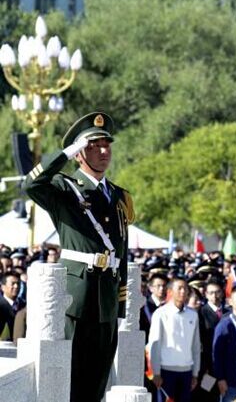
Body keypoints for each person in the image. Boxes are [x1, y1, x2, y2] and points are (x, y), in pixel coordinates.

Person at [24, 111, 132, 402]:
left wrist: (119, 305)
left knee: (96, 385)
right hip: (77, 299)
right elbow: (30, 185)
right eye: (94, 145)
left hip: (106, 301)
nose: (104, 151)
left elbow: (122, 251)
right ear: (79, 152)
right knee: (69, 383)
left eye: (106, 145)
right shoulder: (64, 188)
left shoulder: (119, 196)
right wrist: (65, 153)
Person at [147, 277, 201, 402]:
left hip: (186, 371)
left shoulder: (193, 314)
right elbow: (154, 345)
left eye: (185, 289)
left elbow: (196, 345)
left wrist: (195, 373)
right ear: (170, 291)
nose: (183, 292)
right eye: (179, 288)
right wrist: (156, 373)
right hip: (166, 371)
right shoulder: (160, 313)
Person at [0, 272, 24, 342]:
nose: (16, 286)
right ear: (3, 287)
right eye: (13, 284)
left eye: (18, 284)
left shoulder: (24, 305)